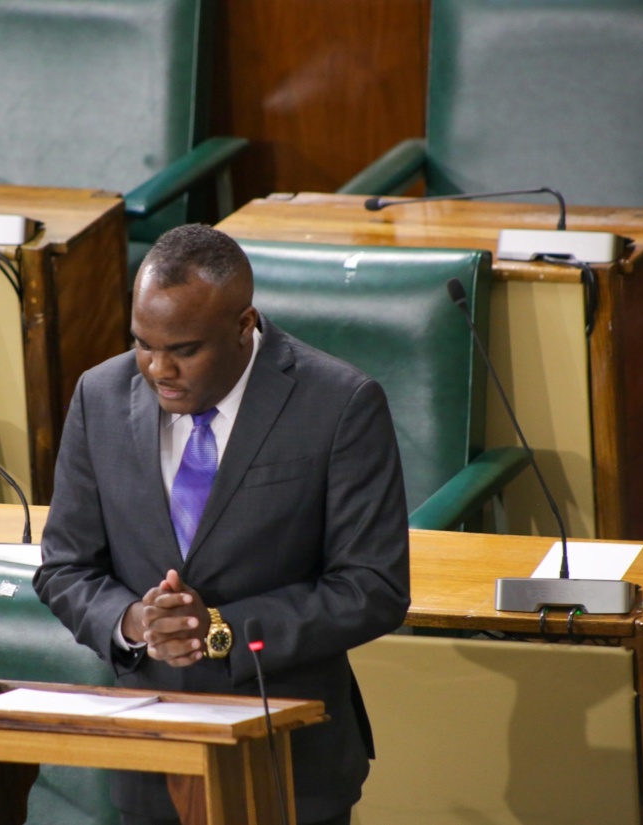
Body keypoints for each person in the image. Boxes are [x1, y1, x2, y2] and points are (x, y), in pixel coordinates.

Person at [33, 224, 410, 825]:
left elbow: (373, 588)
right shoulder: (99, 396)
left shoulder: (339, 404)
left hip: (287, 757)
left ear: (244, 326)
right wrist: (135, 622)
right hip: (150, 758)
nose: (158, 368)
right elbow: (64, 567)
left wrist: (219, 629)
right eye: (142, 343)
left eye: (183, 349)